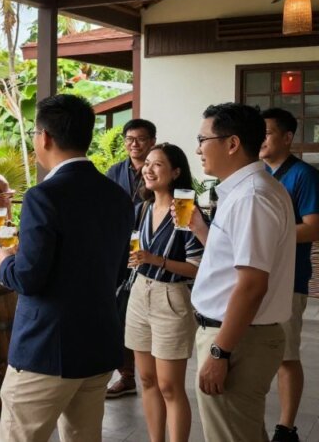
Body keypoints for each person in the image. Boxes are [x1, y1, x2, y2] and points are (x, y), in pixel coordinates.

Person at [0, 94, 133, 442]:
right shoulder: (117, 195)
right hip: (98, 344)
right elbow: (118, 272)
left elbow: (28, 278)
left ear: (44, 137)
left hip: (46, 350)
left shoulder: (43, 196)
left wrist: (5, 261)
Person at [191, 103, 295, 442]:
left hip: (237, 339)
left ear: (232, 143)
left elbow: (252, 286)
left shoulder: (252, 196)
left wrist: (220, 351)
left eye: (203, 139)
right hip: (238, 336)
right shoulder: (244, 191)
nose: (198, 149)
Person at [125, 143, 208, 442]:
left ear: (175, 172)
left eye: (157, 164)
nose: (148, 169)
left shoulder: (186, 212)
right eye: (147, 163)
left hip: (171, 298)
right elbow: (134, 251)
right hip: (139, 294)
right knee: (147, 380)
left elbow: (197, 268)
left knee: (170, 386)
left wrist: (155, 260)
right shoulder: (141, 209)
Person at [259, 107, 319, 442]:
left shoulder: (303, 175)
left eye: (267, 133)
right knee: (254, 352)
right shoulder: (259, 174)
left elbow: (313, 228)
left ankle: (286, 427)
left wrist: (268, 233)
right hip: (255, 278)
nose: (261, 139)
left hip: (288, 280)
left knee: (286, 356)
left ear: (287, 137)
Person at [105, 118, 157, 398]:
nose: (134, 144)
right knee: (120, 310)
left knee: (145, 313)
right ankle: (127, 375)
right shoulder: (115, 172)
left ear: (152, 142)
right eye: (129, 139)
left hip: (152, 249)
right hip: (120, 248)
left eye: (141, 139)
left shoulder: (158, 169)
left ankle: (153, 373)